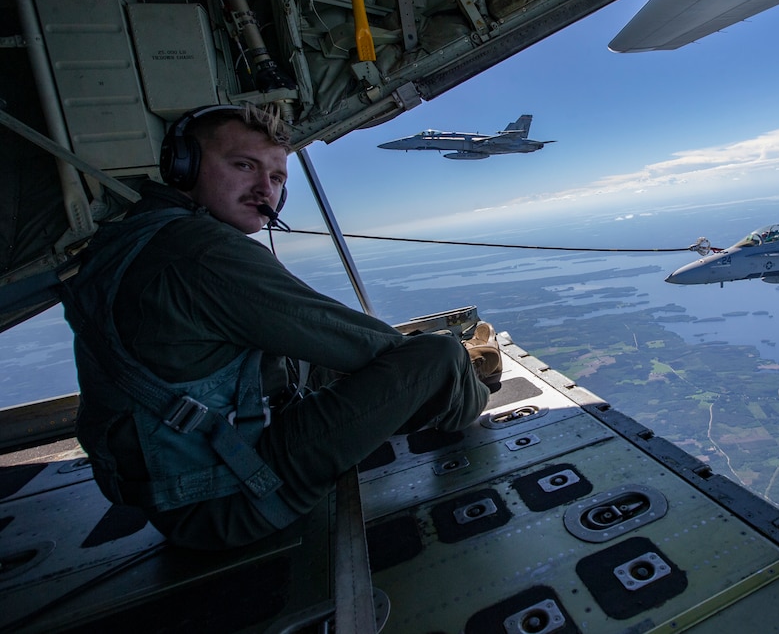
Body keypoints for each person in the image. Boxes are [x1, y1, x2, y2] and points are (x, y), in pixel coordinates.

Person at [61, 104, 496, 550]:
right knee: (436, 357)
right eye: (243, 166)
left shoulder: (135, 236)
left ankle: (468, 369)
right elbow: (364, 345)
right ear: (183, 165)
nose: (264, 190)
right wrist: (441, 365)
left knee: (317, 361)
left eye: (277, 178)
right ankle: (474, 390)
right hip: (231, 496)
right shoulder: (203, 252)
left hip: (181, 477)